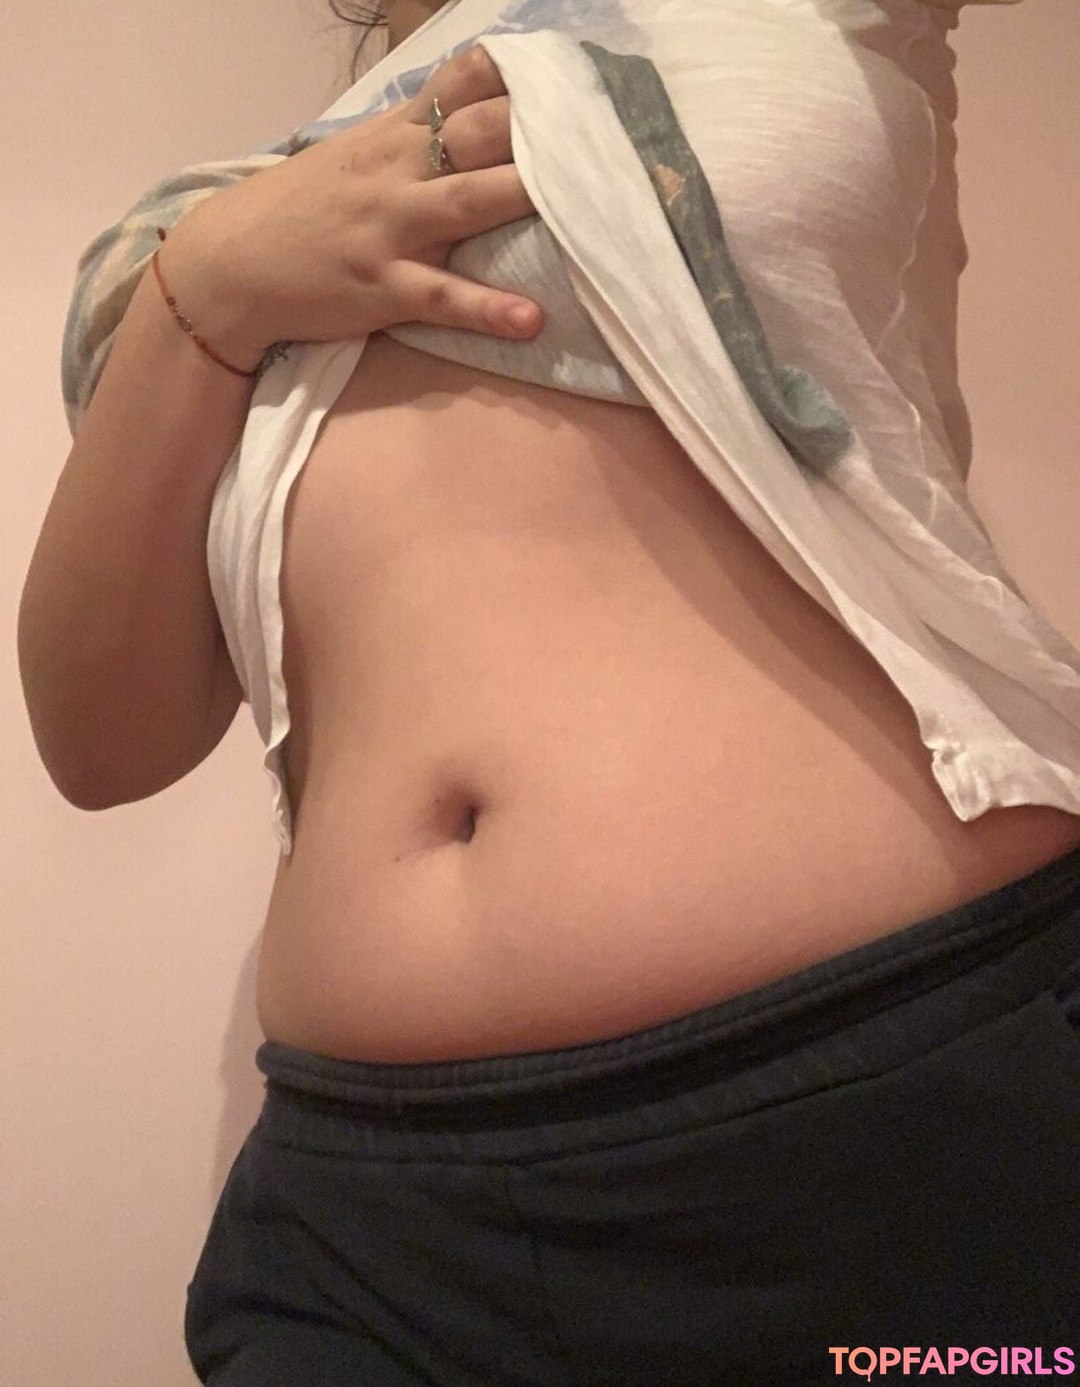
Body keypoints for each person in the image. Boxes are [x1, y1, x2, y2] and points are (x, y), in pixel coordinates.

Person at [18, 0, 1080, 1381]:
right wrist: (197, 302)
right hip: (378, 1226)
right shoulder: (213, 227)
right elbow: (100, 745)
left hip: (905, 1088)